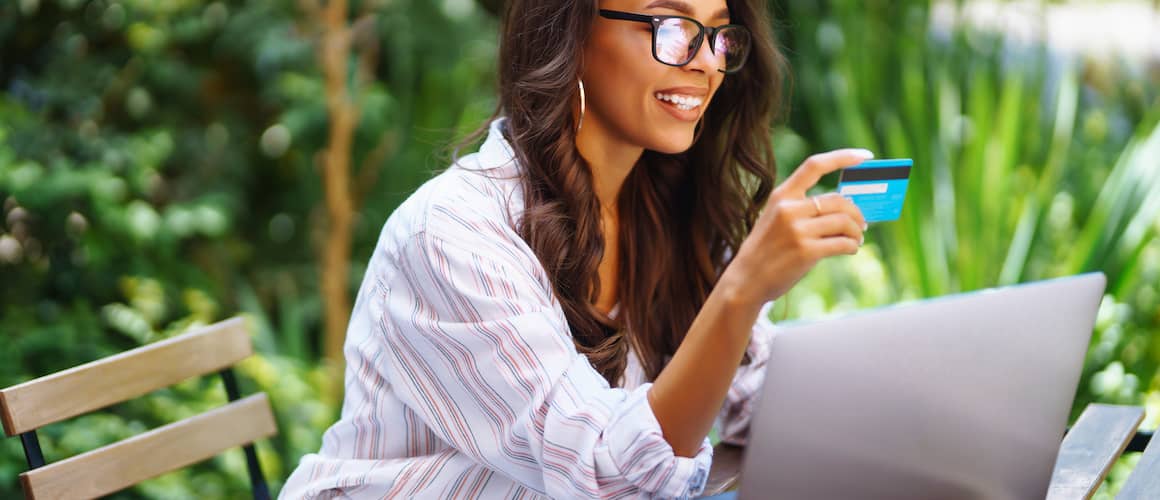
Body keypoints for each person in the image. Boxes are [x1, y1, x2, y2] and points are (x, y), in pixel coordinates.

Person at [281, 0, 870, 497]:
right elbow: (606, 476)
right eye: (671, 26)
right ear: (570, 32)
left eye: (718, 35)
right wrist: (741, 291)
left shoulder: (670, 218)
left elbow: (751, 398)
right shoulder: (453, 232)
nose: (706, 64)